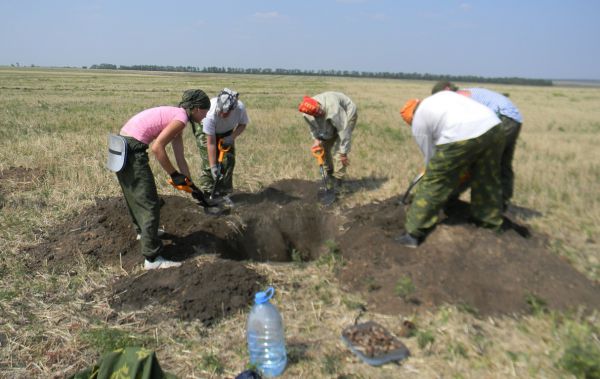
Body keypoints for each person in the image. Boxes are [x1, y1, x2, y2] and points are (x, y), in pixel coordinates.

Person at [396, 91, 505, 248]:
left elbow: (431, 162)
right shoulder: (441, 97)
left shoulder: (418, 121)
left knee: (434, 182)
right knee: (487, 179)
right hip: (494, 126)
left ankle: (413, 234)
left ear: (411, 119)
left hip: (461, 134)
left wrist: (434, 171)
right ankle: (490, 223)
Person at [117, 89, 210, 269]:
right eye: (205, 111)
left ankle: (143, 232)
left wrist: (190, 184)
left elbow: (180, 155)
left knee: (134, 194)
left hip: (123, 143)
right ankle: (152, 259)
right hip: (132, 148)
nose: (206, 116)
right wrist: (174, 175)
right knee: (149, 201)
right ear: (197, 109)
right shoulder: (181, 119)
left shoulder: (178, 117)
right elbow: (157, 148)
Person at [431, 81, 523, 210]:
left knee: (476, 160)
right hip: (515, 119)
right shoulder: (468, 93)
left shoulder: (459, 97)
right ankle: (502, 202)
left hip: (502, 118)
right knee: (503, 163)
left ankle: (454, 196)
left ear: (446, 91)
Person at [192, 88, 249, 197]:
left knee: (228, 162)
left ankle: (223, 193)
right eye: (220, 111)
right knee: (209, 163)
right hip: (206, 131)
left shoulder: (240, 108)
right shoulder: (209, 114)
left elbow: (242, 124)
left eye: (226, 113)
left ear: (233, 109)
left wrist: (232, 137)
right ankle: (208, 193)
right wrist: (213, 166)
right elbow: (211, 143)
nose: (222, 114)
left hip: (227, 132)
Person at [298, 92, 358, 186]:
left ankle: (338, 181)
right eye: (317, 114)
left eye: (320, 111)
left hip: (347, 113)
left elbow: (344, 131)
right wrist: (316, 140)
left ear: (318, 104)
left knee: (339, 152)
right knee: (323, 147)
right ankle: (329, 176)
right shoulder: (306, 114)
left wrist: (344, 153)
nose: (320, 113)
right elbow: (314, 128)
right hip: (329, 117)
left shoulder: (333, 109)